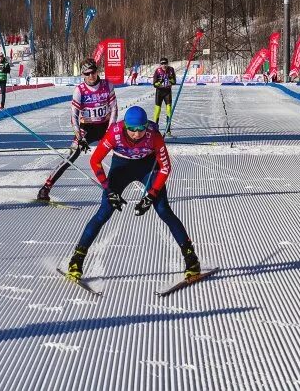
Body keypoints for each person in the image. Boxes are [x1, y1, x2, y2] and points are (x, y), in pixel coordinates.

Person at [64, 106, 200, 281]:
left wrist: (151, 195)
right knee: (104, 211)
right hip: (122, 167)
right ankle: (77, 259)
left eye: (141, 129)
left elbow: (166, 167)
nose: (137, 133)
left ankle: (191, 258)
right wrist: (108, 189)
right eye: (132, 129)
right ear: (125, 126)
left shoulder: (154, 136)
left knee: (163, 210)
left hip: (147, 166)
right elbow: (95, 160)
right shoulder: (115, 133)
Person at [37, 57, 118, 202]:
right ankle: (46, 187)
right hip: (86, 128)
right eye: (86, 74)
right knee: (71, 156)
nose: (91, 76)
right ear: (82, 75)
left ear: (97, 71)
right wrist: (79, 138)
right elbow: (73, 115)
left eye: (92, 72)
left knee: (123, 150)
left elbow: (114, 110)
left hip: (105, 126)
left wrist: (110, 131)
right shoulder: (79, 90)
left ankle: (118, 187)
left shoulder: (107, 85)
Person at [152, 58, 176, 133]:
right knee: (157, 110)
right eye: (162, 64)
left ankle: (168, 129)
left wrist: (170, 78)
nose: (164, 65)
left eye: (165, 63)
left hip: (167, 92)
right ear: (160, 64)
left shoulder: (171, 70)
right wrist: (160, 82)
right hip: (159, 92)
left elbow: (174, 81)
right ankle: (155, 129)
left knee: (169, 110)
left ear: (167, 63)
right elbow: (154, 84)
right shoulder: (157, 71)